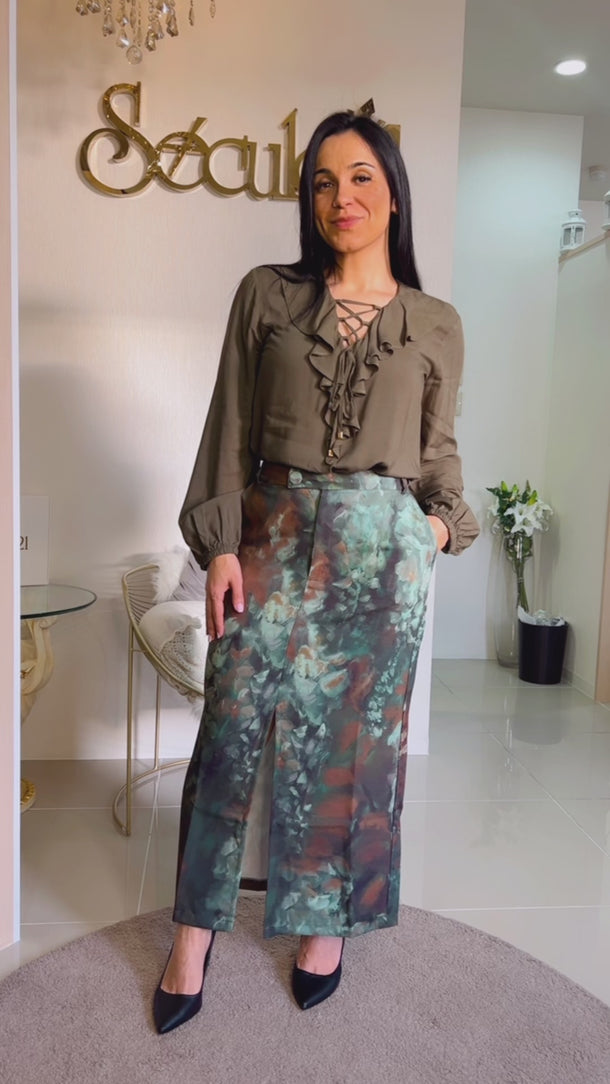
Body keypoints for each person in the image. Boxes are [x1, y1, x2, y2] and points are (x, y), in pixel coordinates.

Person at [153, 108, 479, 1034]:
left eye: (363, 177)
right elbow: (228, 424)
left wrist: (436, 531)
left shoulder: (437, 324)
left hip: (381, 553)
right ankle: (192, 934)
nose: (343, 197)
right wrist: (220, 544)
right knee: (230, 736)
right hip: (270, 530)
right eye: (325, 181)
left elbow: (438, 454)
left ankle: (325, 928)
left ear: (394, 194)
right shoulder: (267, 295)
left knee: (353, 754)